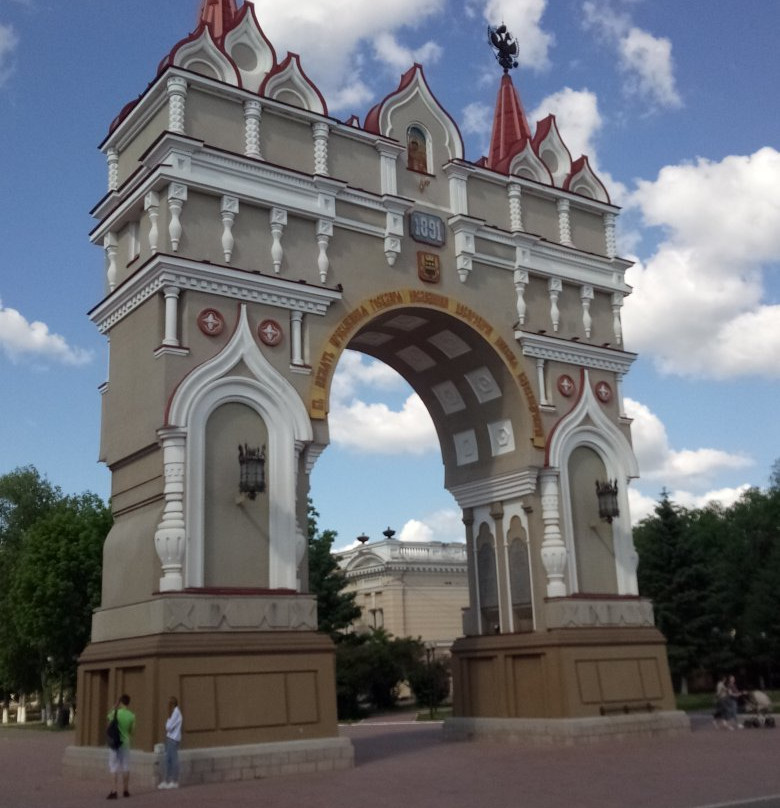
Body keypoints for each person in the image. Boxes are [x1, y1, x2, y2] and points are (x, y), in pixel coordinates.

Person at [107, 694, 135, 799]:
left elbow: (109, 722)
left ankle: (114, 791)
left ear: (121, 702)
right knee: (126, 766)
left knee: (113, 766)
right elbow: (132, 731)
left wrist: (115, 706)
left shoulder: (115, 713)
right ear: (128, 703)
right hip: (125, 743)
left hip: (114, 743)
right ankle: (126, 790)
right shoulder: (132, 716)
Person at [158, 696, 183, 790]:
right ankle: (166, 780)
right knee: (168, 760)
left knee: (173, 760)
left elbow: (168, 727)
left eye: (169, 704)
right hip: (170, 738)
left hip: (173, 739)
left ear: (172, 704)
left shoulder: (176, 713)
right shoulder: (174, 713)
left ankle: (174, 781)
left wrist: (168, 721)